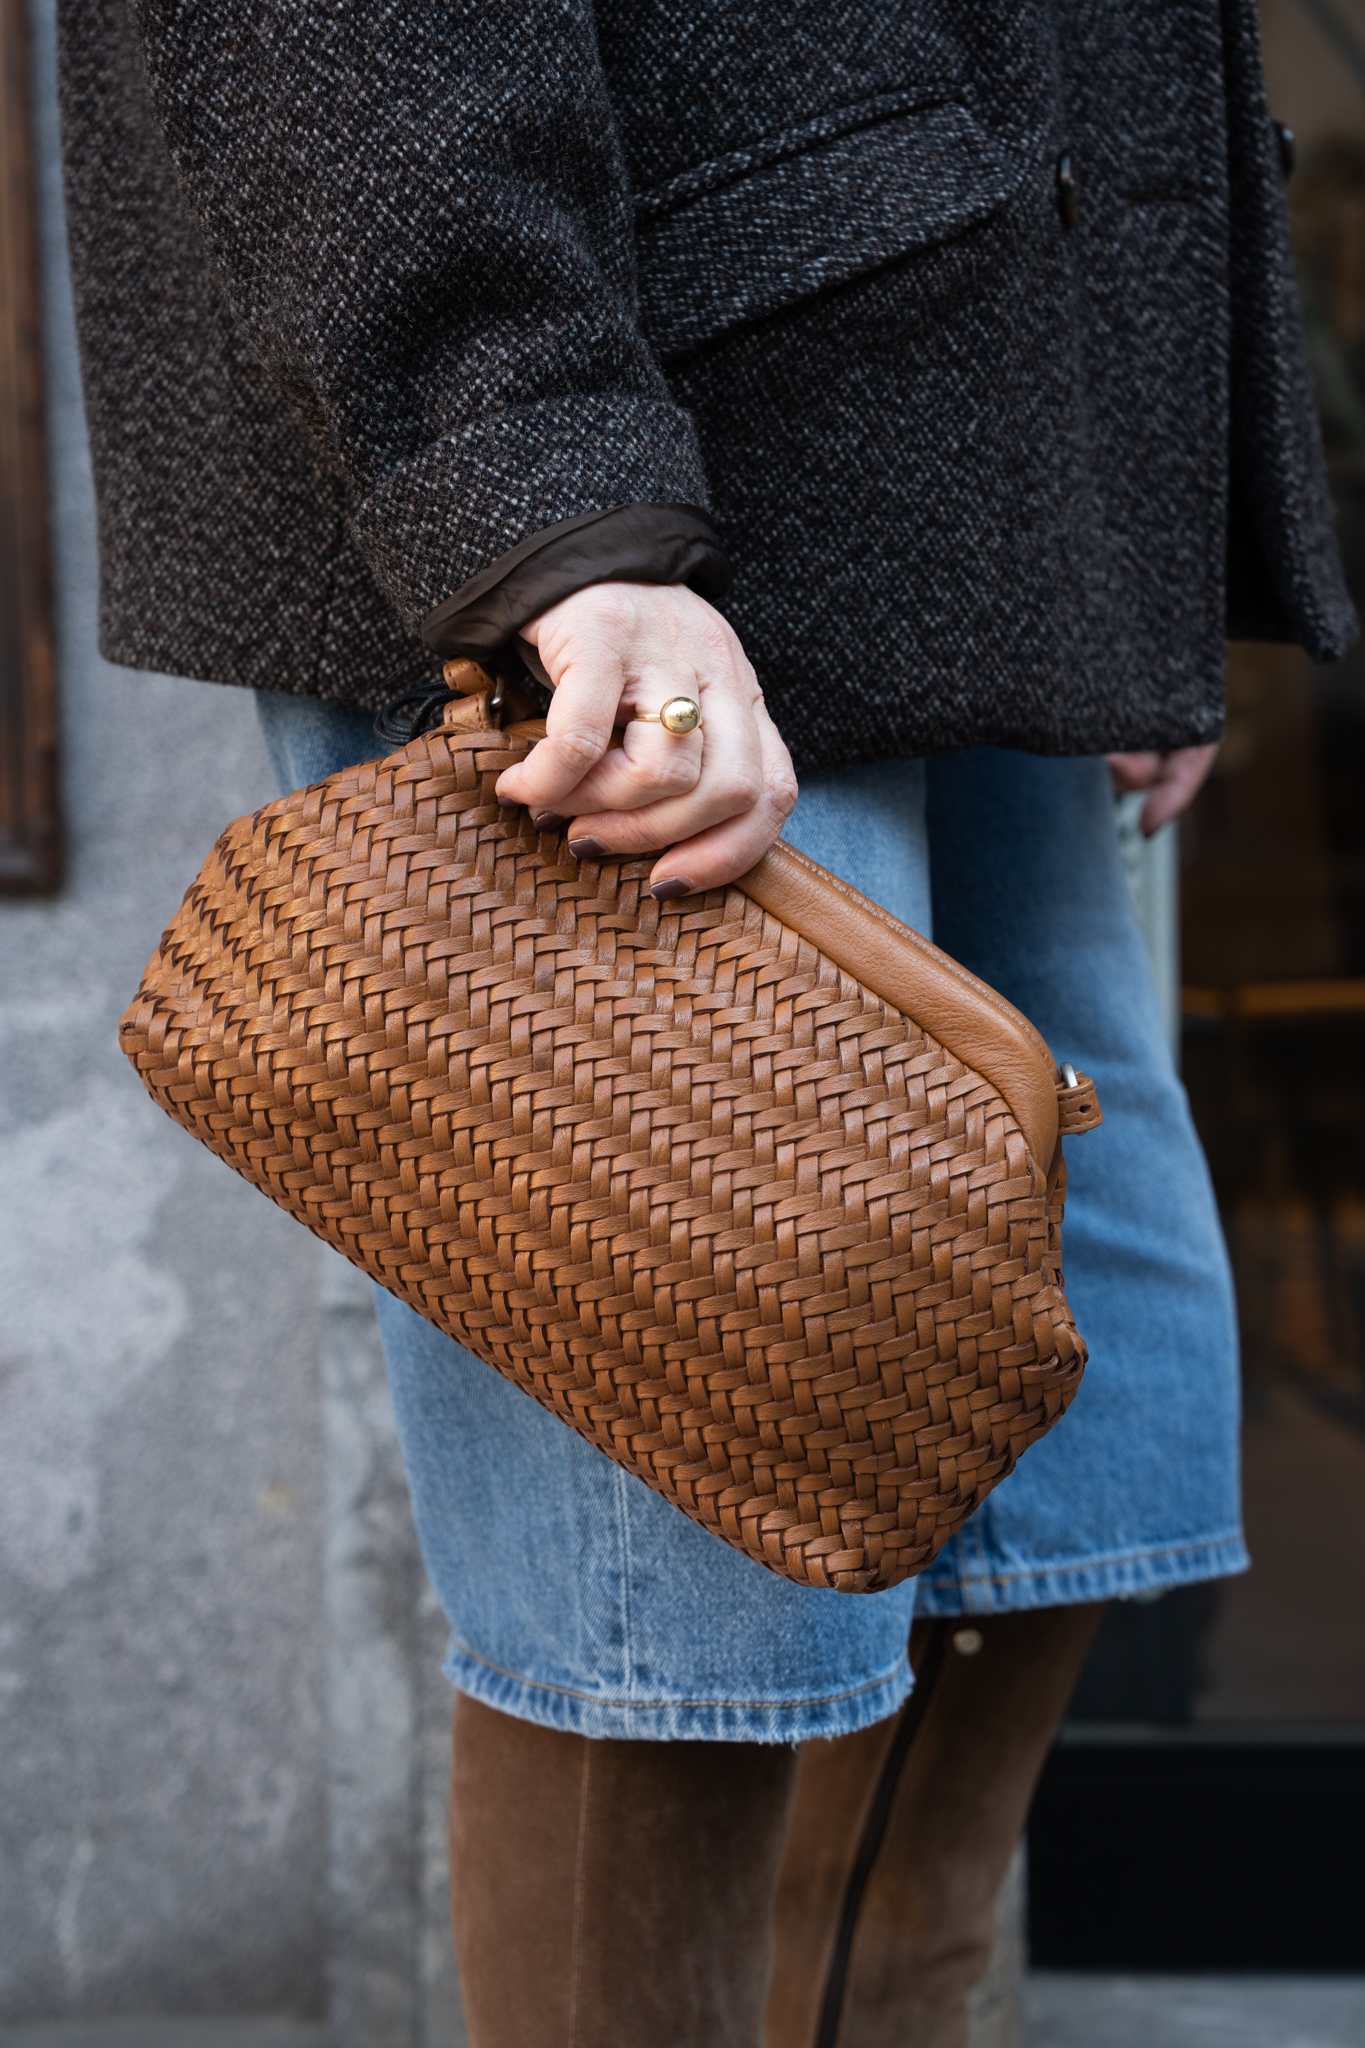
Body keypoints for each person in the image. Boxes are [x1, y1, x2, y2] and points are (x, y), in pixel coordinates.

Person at [59, 1, 1350, 2042]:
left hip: (978, 440)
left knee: (1076, 1442)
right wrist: (540, 484)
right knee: (677, 1546)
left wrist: (1135, 512)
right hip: (647, 462)